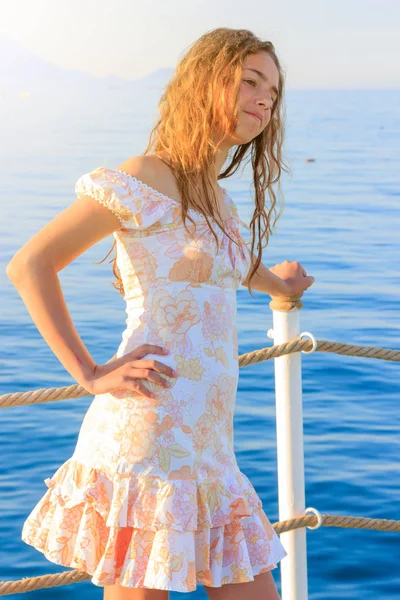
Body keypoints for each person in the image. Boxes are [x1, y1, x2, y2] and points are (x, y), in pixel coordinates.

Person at [6, 27, 314, 600]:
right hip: (145, 439)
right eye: (250, 80)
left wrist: (283, 288)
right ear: (204, 83)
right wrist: (89, 372)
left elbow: (235, 265)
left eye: (273, 90)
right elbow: (31, 265)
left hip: (209, 450)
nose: (265, 99)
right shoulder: (146, 175)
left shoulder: (217, 201)